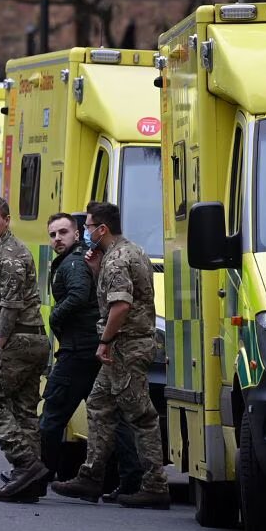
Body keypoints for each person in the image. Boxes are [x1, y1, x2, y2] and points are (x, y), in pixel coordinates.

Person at [50, 201, 169, 509]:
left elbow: (121, 305)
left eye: (88, 227)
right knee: (100, 404)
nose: (86, 232)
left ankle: (154, 484)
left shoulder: (116, 260)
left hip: (126, 347)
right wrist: (94, 268)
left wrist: (104, 340)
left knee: (141, 416)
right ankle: (90, 477)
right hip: (127, 345)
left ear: (102, 229)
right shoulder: (131, 251)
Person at [18, 212, 143, 500]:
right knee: (111, 417)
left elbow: (77, 295)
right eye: (52, 234)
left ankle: (38, 476)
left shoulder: (73, 263)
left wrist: (54, 319)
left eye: (63, 232)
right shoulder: (78, 259)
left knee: (52, 415)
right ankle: (132, 479)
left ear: (77, 234)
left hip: (78, 353)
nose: (57, 239)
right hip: (92, 348)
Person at [0, 195, 51, 503]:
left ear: (7, 220)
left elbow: (10, 305)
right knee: (23, 412)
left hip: (17, 339)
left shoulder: (9, 255)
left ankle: (26, 464)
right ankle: (28, 482)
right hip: (31, 339)